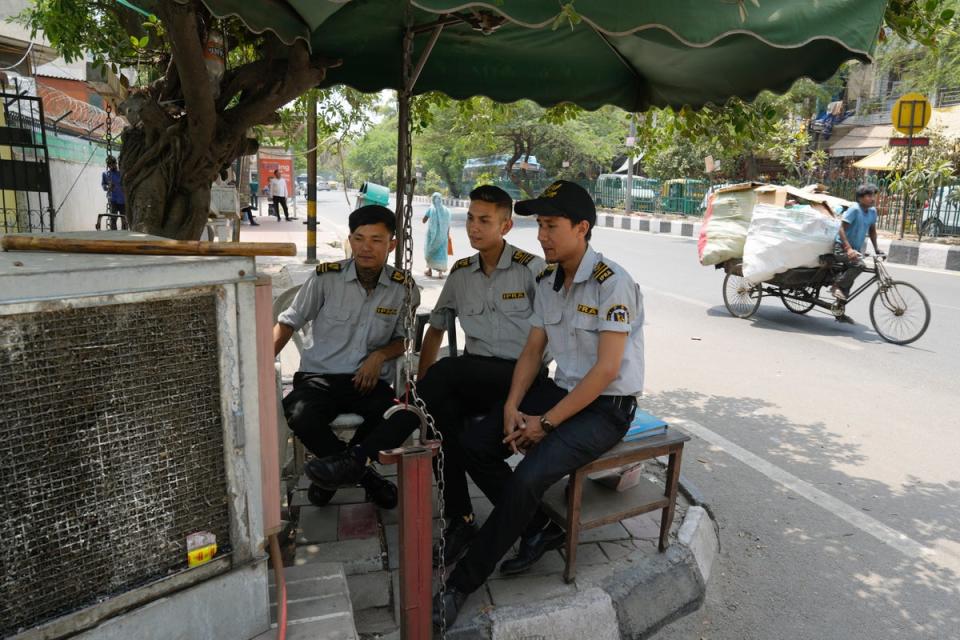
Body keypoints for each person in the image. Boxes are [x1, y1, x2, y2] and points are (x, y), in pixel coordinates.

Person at [433, 180, 645, 627]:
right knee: (475, 443)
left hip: (607, 407)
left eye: (551, 226)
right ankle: (536, 528)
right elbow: (532, 351)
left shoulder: (613, 284)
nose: (541, 236)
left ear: (582, 228)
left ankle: (461, 584)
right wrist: (513, 404)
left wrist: (544, 424)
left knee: (528, 476)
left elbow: (606, 372)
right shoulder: (549, 281)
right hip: (561, 393)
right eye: (539, 226)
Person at [306, 185, 546, 564]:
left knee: (447, 372)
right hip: (476, 378)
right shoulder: (462, 272)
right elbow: (435, 328)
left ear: (506, 225)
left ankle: (360, 457)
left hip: (522, 377)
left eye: (485, 220)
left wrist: (429, 382)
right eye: (470, 218)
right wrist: (422, 384)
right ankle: (460, 518)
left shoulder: (531, 270)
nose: (474, 227)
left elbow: (548, 339)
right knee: (439, 421)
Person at [274, 205, 419, 509]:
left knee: (400, 414)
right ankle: (363, 475)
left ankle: (334, 473)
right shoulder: (326, 278)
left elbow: (403, 339)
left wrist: (379, 355)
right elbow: (289, 322)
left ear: (392, 244)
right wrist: (260, 366)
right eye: (359, 238)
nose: (366, 247)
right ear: (350, 241)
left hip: (366, 381)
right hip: (319, 377)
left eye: (377, 240)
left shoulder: (403, 287)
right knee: (299, 413)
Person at [832, 183, 883, 309]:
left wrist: (876, 249)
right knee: (859, 265)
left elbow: (872, 231)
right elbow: (841, 229)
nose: (872, 198)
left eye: (873, 195)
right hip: (841, 248)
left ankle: (839, 312)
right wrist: (848, 249)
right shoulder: (854, 209)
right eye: (869, 196)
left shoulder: (872, 211)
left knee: (848, 282)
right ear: (860, 198)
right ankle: (836, 286)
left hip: (855, 250)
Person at [423, 192, 451, 278]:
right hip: (443, 236)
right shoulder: (447, 211)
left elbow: (424, 220)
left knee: (430, 252)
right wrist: (447, 235)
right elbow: (448, 224)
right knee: (441, 253)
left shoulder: (431, 209)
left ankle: (429, 271)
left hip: (432, 236)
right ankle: (440, 273)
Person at [101, 156, 125, 229]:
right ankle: (114, 234)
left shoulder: (121, 173)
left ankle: (125, 234)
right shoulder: (105, 174)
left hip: (123, 200)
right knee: (113, 219)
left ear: (116, 163)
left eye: (113, 163)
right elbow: (103, 185)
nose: (112, 165)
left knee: (124, 219)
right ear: (107, 165)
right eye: (109, 163)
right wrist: (108, 187)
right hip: (113, 200)